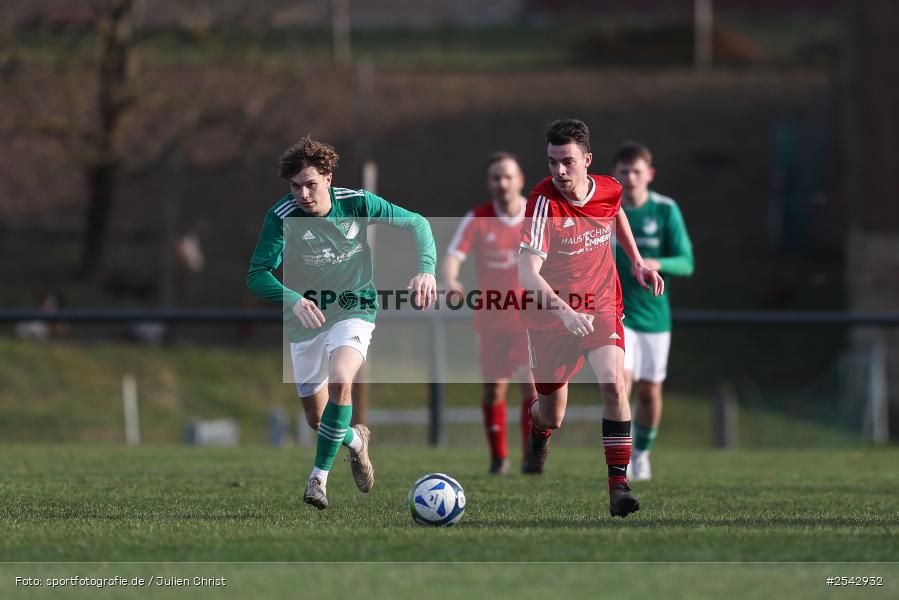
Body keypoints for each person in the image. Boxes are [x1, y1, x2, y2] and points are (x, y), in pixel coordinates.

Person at [247, 136, 437, 509]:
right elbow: (257, 274)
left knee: (340, 380)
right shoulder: (281, 216)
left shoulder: (357, 202)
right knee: (319, 421)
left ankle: (318, 479)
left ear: (329, 178)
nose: (302, 194)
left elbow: (417, 223)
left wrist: (426, 270)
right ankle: (356, 440)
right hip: (306, 320)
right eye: (295, 186)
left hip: (354, 308)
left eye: (311, 185)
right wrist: (292, 298)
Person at [518, 119, 664, 517]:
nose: (559, 172)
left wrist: (636, 263)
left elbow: (616, 213)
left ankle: (619, 486)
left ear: (587, 159)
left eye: (567, 162)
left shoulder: (610, 188)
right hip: (551, 315)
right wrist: (563, 312)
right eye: (551, 163)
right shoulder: (542, 202)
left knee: (616, 384)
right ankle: (537, 426)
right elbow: (527, 273)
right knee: (553, 413)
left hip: (601, 303)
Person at [442, 152, 538, 475]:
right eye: (496, 177)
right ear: (489, 183)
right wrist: (450, 278)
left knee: (533, 386)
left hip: (531, 318)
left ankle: (532, 456)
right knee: (494, 388)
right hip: (493, 318)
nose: (503, 183)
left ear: (520, 180)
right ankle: (499, 458)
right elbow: (454, 255)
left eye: (508, 177)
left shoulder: (536, 217)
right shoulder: (478, 217)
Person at [612, 142, 694, 482]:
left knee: (650, 391)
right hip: (618, 312)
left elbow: (687, 262)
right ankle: (622, 457)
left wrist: (655, 262)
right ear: (615, 175)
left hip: (655, 317)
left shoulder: (664, 210)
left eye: (636, 171)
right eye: (623, 172)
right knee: (622, 384)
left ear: (649, 174)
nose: (630, 178)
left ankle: (642, 454)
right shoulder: (607, 209)